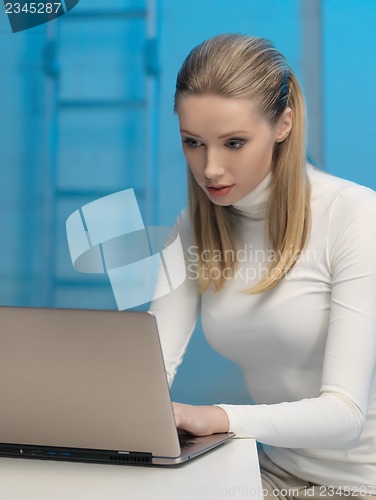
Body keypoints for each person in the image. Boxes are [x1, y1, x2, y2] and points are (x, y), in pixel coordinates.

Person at [150, 33, 376, 497]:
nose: (210, 168)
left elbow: (346, 416)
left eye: (234, 143)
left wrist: (217, 417)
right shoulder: (191, 228)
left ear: (283, 125)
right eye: (193, 142)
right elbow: (148, 372)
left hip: (361, 482)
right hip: (271, 472)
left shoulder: (355, 215)